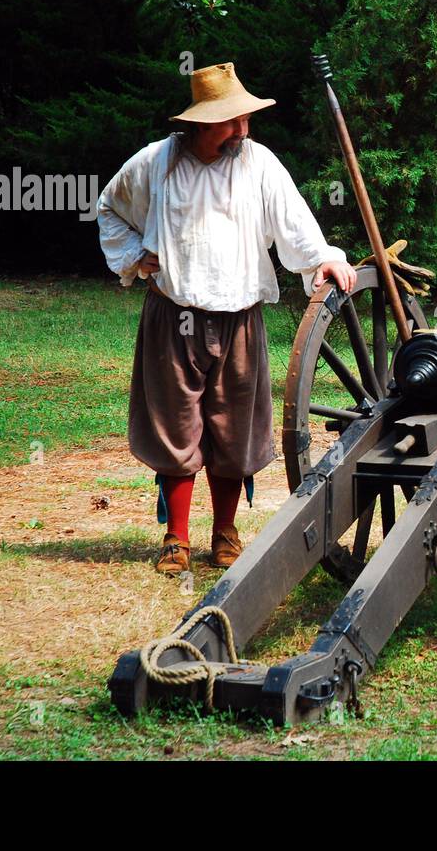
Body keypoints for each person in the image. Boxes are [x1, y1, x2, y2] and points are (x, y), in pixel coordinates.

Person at [96, 62, 357, 575]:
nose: (241, 130)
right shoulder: (154, 164)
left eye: (244, 120)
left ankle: (225, 533)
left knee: (234, 429)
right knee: (175, 426)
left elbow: (294, 221)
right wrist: (133, 255)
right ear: (197, 123)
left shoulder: (259, 163)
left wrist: (323, 256)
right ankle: (176, 539)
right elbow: (109, 209)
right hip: (173, 316)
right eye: (230, 121)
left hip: (239, 318)